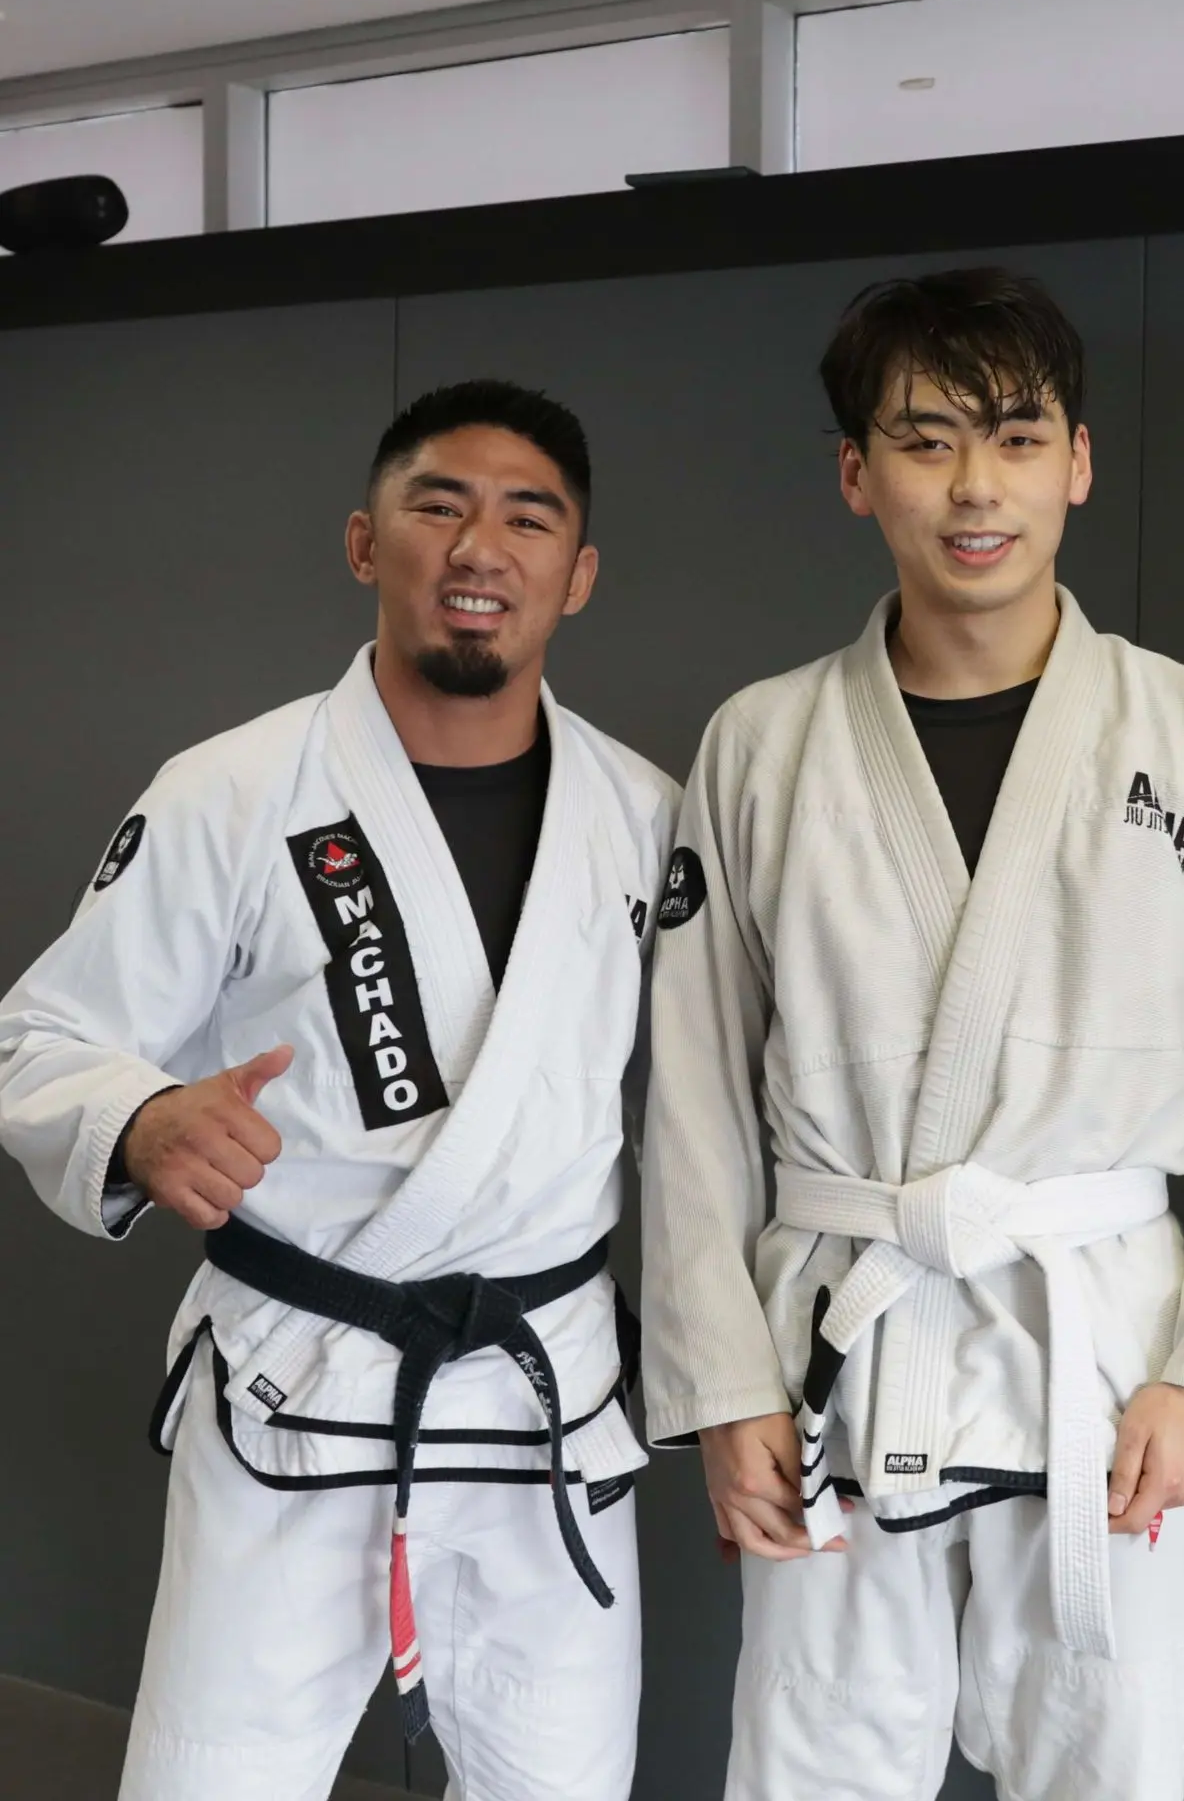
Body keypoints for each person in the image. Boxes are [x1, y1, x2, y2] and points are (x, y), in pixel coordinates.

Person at [640, 267, 1184, 1800]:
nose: (975, 487)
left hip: (1110, 1367)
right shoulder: (762, 743)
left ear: (1078, 462)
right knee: (811, 1769)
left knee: (1109, 1768)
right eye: (927, 438)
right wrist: (722, 1379)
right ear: (856, 474)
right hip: (837, 1345)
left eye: (1016, 439)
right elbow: (692, 1090)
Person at [0, 380, 678, 1801]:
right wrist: (138, 1118)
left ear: (580, 573)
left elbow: (709, 1122)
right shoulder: (233, 792)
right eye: (438, 506)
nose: (478, 548)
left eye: (527, 518)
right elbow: (40, 1035)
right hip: (295, 1380)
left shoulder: (648, 819)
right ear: (367, 544)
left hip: (539, 1396)